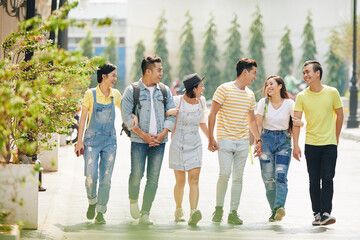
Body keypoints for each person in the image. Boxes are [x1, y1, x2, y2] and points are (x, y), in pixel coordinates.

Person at [121, 56, 176, 225]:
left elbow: (172, 114)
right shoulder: (132, 91)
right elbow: (126, 117)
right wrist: (144, 135)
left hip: (159, 142)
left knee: (153, 178)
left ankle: (145, 213)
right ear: (148, 71)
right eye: (159, 70)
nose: (162, 73)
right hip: (139, 141)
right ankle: (133, 200)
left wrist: (162, 134)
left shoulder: (165, 91)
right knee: (137, 175)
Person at [208, 58, 262, 225]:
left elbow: (252, 121)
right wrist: (211, 137)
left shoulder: (250, 95)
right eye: (253, 73)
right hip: (225, 140)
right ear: (245, 72)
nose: (255, 77)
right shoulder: (224, 89)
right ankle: (218, 209)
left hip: (242, 142)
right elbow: (212, 114)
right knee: (224, 174)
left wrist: (258, 139)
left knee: (238, 178)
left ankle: (233, 212)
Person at [293, 60, 343, 226]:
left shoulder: (332, 92)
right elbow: (296, 121)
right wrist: (296, 145)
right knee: (314, 180)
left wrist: (335, 138)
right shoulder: (301, 96)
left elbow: (340, 115)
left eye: (308, 72)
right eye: (304, 72)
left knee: (328, 178)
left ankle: (326, 212)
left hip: (329, 144)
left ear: (317, 74)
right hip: (311, 144)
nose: (305, 75)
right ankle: (317, 213)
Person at [74, 62, 121, 224]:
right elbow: (83, 119)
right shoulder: (90, 94)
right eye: (113, 75)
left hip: (110, 141)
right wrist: (79, 141)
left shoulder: (116, 94)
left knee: (106, 178)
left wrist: (134, 117)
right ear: (104, 76)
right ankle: (92, 201)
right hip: (92, 140)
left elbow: (127, 111)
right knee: (90, 175)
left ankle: (101, 211)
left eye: (116, 75)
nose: (115, 78)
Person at [256, 75, 303, 222]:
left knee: (280, 176)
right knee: (269, 180)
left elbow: (296, 123)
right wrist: (258, 142)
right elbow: (258, 124)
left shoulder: (289, 103)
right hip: (266, 141)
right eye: (267, 84)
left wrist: (296, 144)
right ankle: (275, 209)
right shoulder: (263, 103)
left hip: (283, 142)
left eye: (272, 84)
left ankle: (279, 207)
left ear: (280, 86)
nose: (268, 87)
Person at [167, 73, 208, 226]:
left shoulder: (202, 102)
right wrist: (169, 114)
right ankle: (178, 209)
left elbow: (202, 123)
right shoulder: (177, 101)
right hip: (178, 142)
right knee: (180, 181)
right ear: (194, 88)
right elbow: (166, 115)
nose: (203, 89)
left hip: (195, 142)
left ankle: (193, 212)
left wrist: (211, 139)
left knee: (194, 179)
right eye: (201, 86)